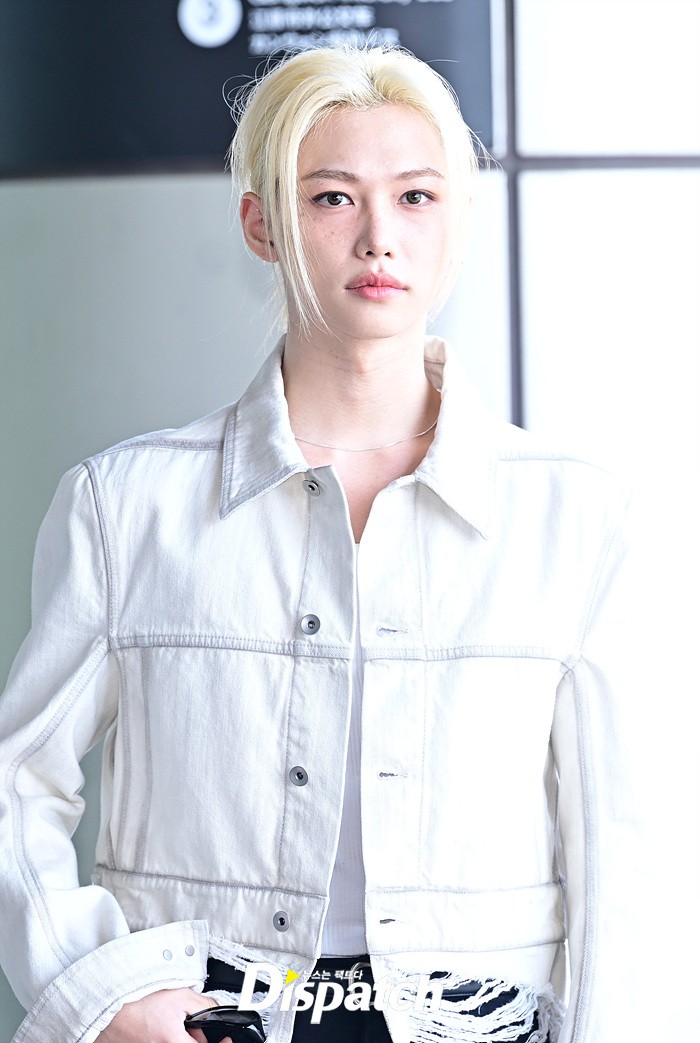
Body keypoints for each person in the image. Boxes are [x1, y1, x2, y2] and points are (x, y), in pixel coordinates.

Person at [0, 45, 656, 1043]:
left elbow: (630, 847)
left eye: (416, 196)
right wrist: (101, 993)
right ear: (261, 223)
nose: (379, 236)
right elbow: (16, 778)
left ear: (457, 221)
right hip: (212, 1016)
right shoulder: (126, 505)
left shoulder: (575, 516)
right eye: (332, 197)